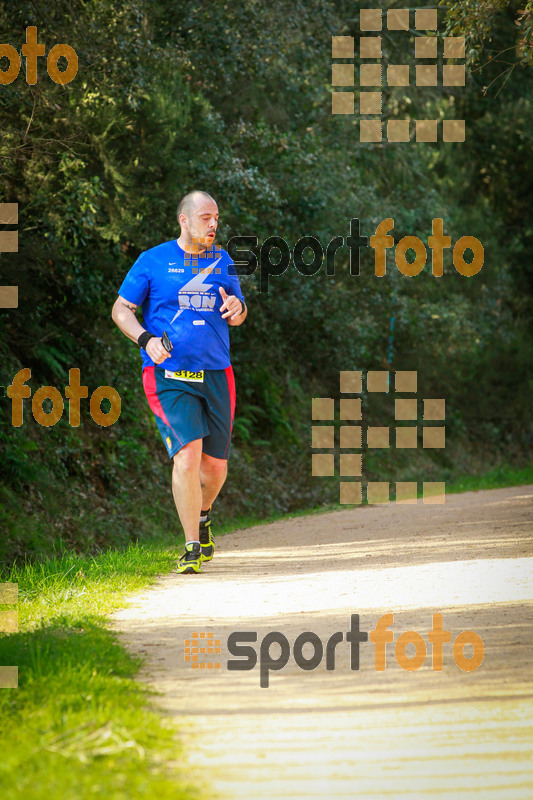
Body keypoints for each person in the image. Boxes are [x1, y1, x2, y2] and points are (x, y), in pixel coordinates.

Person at [111, 191, 247, 574]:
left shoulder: (221, 260)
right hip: (169, 375)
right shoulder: (152, 261)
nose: (213, 223)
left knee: (215, 468)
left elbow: (237, 310)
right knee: (187, 455)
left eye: (216, 217)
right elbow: (121, 309)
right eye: (205, 217)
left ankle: (203, 516)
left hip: (217, 373)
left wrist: (238, 309)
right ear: (184, 220)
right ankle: (191, 546)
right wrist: (145, 339)